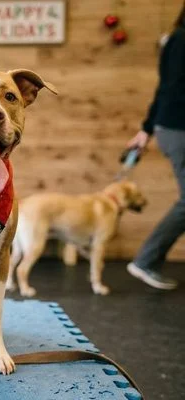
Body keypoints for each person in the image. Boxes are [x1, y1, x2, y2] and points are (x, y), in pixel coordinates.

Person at [125, 5, 185, 291]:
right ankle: (146, 261)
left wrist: (147, 129)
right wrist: (148, 128)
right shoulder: (181, 40)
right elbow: (171, 89)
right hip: (177, 128)